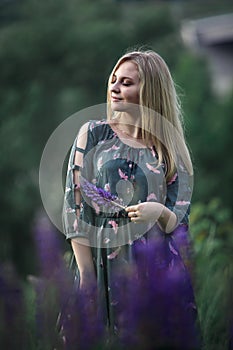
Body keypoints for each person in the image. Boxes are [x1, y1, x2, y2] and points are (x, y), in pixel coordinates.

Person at [63, 50, 200, 349]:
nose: (115, 87)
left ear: (149, 92)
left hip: (156, 268)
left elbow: (180, 218)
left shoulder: (170, 150)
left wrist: (159, 212)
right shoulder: (93, 134)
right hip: (102, 265)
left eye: (127, 83)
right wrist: (86, 276)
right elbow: (75, 206)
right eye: (114, 80)